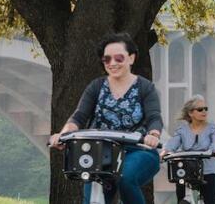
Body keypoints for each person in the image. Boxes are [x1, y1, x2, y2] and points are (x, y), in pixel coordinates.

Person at [49, 33, 162, 204]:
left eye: (119, 58)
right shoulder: (96, 86)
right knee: (91, 197)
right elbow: (79, 117)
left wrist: (153, 135)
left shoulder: (145, 87)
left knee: (125, 177)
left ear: (131, 58)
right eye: (107, 59)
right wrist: (63, 135)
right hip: (100, 153)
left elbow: (154, 116)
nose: (113, 63)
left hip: (139, 150)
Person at [163, 95, 215, 204]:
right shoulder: (182, 130)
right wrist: (165, 152)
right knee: (181, 200)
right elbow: (172, 144)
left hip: (209, 171)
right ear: (190, 113)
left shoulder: (213, 128)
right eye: (200, 109)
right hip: (187, 171)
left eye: (206, 109)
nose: (204, 111)